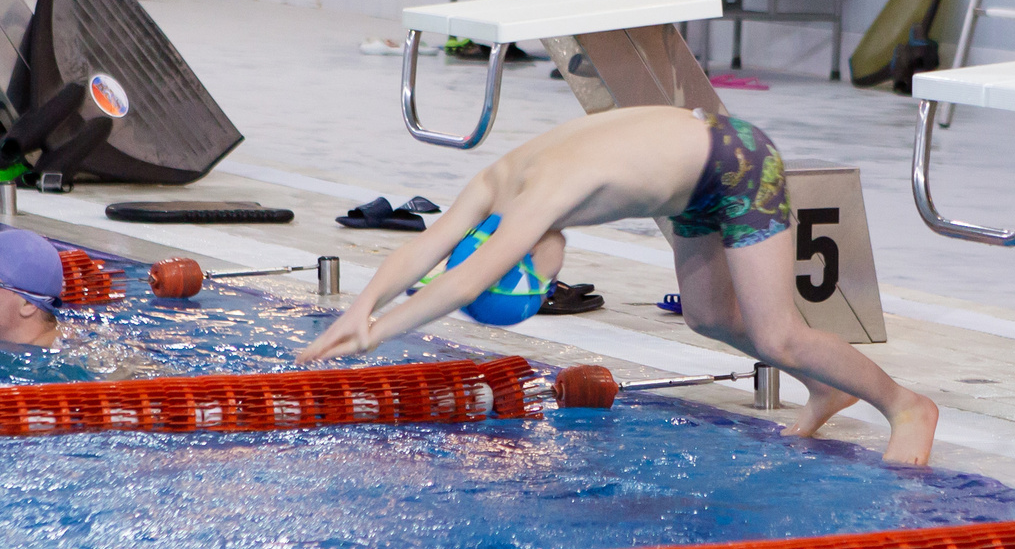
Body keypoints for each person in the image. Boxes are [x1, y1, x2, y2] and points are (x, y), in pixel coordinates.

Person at [298, 104, 941, 465]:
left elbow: (465, 280)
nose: (553, 274)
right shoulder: (496, 184)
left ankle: (906, 406)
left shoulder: (539, 202)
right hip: (692, 176)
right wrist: (361, 306)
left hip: (738, 162)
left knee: (780, 334)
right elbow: (427, 248)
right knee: (710, 317)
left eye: (538, 280)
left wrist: (376, 333)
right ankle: (828, 387)